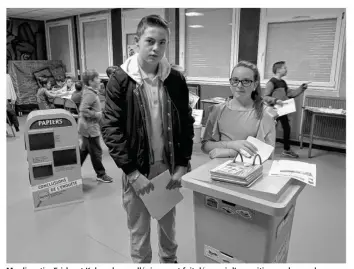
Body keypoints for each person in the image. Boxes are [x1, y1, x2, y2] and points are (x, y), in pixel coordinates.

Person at [100, 15, 194, 263]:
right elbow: (111, 128)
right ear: (136, 42)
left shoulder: (175, 80)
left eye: (162, 43)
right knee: (139, 234)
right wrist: (132, 173)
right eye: (150, 41)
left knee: (168, 230)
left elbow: (185, 124)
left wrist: (182, 164)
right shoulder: (121, 80)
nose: (156, 48)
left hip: (168, 170)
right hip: (137, 173)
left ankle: (169, 261)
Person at [201, 61, 276, 160]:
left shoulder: (265, 114)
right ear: (230, 82)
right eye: (235, 80)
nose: (239, 85)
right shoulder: (217, 110)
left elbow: (267, 154)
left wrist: (229, 152)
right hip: (218, 169)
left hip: (250, 171)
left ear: (255, 85)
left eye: (246, 81)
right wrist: (232, 144)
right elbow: (206, 146)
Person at [263, 61, 309, 158]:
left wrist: (301, 88)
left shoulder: (283, 82)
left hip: (281, 110)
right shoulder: (272, 82)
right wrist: (275, 100)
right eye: (285, 68)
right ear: (279, 70)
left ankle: (286, 150)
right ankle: (264, 150)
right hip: (273, 110)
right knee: (269, 130)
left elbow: (290, 94)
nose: (286, 69)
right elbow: (265, 97)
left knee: (287, 128)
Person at [78, 69, 113, 183]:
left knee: (85, 151)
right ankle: (101, 174)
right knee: (96, 151)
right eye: (97, 78)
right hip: (90, 128)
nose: (99, 80)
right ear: (91, 81)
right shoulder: (90, 94)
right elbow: (83, 109)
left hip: (87, 127)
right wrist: (96, 114)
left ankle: (74, 170)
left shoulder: (90, 91)